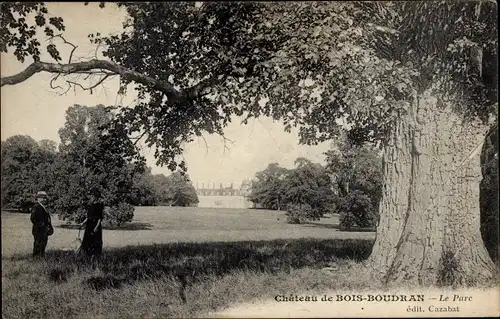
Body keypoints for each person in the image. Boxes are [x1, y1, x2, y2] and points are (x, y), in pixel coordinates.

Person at [79, 187, 104, 258]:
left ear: (96, 196)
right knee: (87, 242)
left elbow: (100, 218)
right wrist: (83, 223)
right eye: (90, 195)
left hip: (96, 225)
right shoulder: (90, 205)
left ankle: (95, 258)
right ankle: (87, 257)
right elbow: (88, 217)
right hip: (89, 226)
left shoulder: (99, 205)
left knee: (96, 242)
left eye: (92, 195)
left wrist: (96, 227)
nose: (91, 197)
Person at [30, 191, 53, 258]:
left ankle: (41, 258)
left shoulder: (43, 207)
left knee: (43, 244)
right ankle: (36, 259)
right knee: (38, 244)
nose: (44, 200)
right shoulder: (36, 207)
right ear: (38, 198)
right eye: (42, 198)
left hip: (44, 230)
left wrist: (48, 226)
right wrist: (41, 225)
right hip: (39, 230)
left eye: (45, 198)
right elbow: (33, 218)